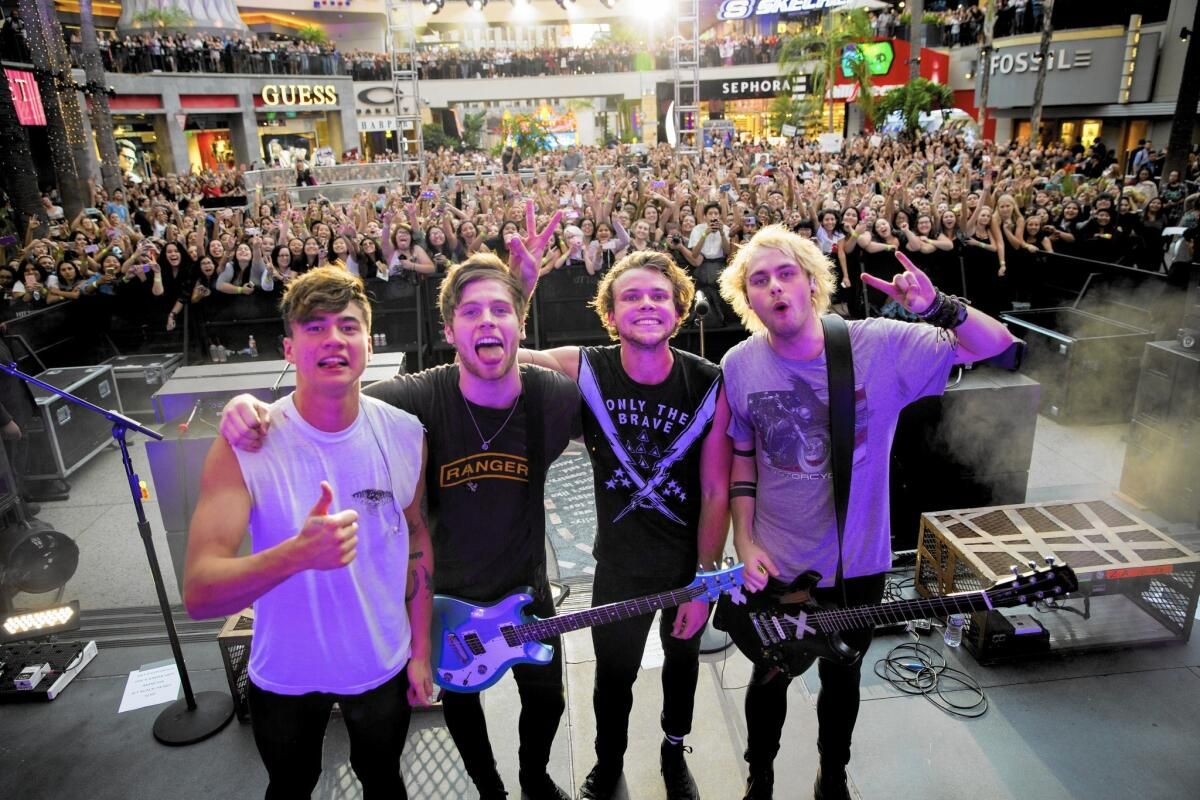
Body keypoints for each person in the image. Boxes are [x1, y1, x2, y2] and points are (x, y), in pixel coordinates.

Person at [219, 206, 577, 800]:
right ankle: (489, 788)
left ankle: (536, 779)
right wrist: (249, 405)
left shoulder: (553, 398)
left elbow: (613, 384)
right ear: (447, 332)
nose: (486, 322)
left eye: (501, 311)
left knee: (548, 701)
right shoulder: (417, 398)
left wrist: (519, 293)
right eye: (469, 313)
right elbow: (332, 395)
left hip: (527, 588)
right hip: (446, 597)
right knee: (462, 706)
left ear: (520, 319)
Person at [716, 225, 1014, 800]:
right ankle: (760, 776)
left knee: (843, 674)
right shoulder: (739, 364)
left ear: (812, 282)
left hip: (858, 561)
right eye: (759, 279)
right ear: (745, 297)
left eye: (786, 273)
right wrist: (744, 541)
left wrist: (937, 307)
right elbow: (744, 459)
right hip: (777, 561)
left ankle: (833, 775)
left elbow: (997, 345)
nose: (774, 287)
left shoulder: (877, 345)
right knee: (770, 673)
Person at [183, 267, 435, 798]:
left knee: (384, 782)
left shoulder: (406, 434)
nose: (333, 339)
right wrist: (295, 556)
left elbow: (416, 541)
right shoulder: (245, 445)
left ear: (370, 343)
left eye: (348, 326)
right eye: (315, 327)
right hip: (286, 670)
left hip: (379, 660)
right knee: (290, 786)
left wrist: (420, 649)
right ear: (289, 349)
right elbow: (200, 594)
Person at [519, 250, 731, 800]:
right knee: (613, 676)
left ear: (679, 309)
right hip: (618, 564)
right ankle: (608, 760)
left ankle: (673, 751)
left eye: (659, 295)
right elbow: (496, 355)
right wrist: (520, 288)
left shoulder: (708, 382)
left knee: (682, 668)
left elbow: (716, 491)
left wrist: (705, 582)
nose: (646, 304)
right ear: (609, 313)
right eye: (631, 296)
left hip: (686, 567)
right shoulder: (586, 368)